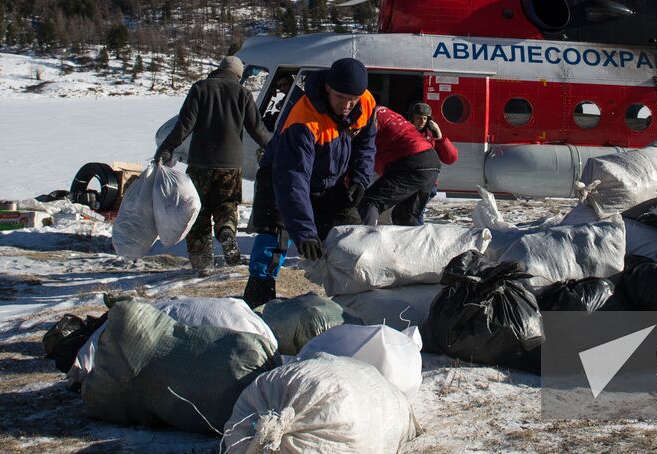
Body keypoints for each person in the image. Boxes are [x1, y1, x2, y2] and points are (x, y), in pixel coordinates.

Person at [242, 58, 377, 307]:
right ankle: (257, 301)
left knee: (353, 238)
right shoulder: (303, 120)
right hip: (280, 178)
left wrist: (360, 176)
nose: (347, 105)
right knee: (273, 243)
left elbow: (366, 145)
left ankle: (356, 305)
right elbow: (294, 179)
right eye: (340, 97)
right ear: (327, 87)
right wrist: (304, 232)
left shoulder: (366, 102)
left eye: (353, 99)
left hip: (328, 182)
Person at [155, 55, 263, 273]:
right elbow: (257, 129)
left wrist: (166, 149)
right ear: (238, 75)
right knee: (227, 204)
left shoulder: (200, 88)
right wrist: (278, 148)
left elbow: (184, 125)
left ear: (219, 69)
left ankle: (202, 263)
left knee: (199, 212)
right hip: (231, 164)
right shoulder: (243, 93)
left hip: (200, 162)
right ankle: (227, 231)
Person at [361, 102, 458, 226]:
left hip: (424, 179)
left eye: (425, 118)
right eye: (418, 117)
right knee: (404, 216)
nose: (422, 121)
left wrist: (439, 138)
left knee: (412, 215)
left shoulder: (430, 136)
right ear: (411, 117)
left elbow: (450, 158)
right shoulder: (401, 130)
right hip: (405, 174)